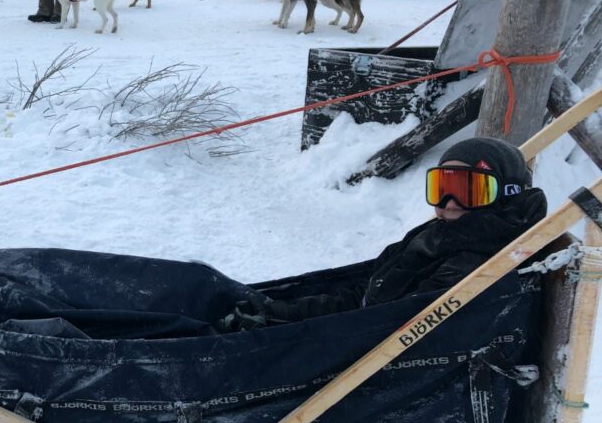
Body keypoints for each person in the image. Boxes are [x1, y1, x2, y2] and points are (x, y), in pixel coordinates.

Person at [220, 138, 547, 329]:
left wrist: (281, 322)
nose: (448, 203)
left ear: (505, 195)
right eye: (442, 187)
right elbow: (369, 294)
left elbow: (382, 323)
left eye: (468, 190)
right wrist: (278, 310)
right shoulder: (448, 236)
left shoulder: (471, 260)